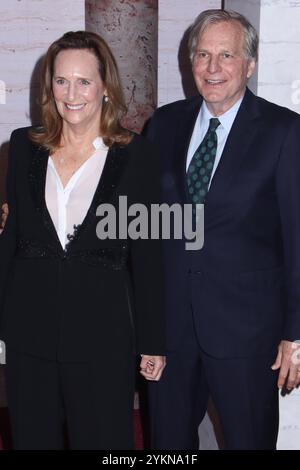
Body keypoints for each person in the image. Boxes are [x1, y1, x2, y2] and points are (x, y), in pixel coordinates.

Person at [0, 30, 165, 450]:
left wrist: (153, 341)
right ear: (48, 86)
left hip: (103, 340)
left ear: (105, 87)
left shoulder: (136, 155)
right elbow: (12, 240)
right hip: (28, 335)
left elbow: (147, 256)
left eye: (84, 81)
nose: (71, 93)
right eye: (61, 81)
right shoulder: (23, 147)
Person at [146, 9, 300, 450]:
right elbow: (142, 216)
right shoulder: (165, 125)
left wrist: (295, 332)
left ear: (248, 65)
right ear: (189, 61)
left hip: (247, 333)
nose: (213, 68)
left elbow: (297, 238)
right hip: (171, 331)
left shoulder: (284, 131)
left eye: (226, 55)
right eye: (203, 54)